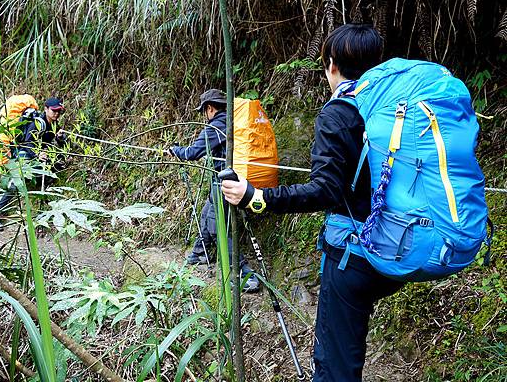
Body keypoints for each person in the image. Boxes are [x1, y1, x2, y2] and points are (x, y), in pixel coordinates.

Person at [221, 24, 404, 380]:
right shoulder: (393, 111)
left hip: (354, 254)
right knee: (348, 348)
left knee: (333, 366)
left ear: (332, 64)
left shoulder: (339, 113)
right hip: (396, 246)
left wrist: (256, 197)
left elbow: (325, 190)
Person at [170, 89, 260, 293]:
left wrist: (175, 151)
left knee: (217, 225)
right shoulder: (233, 123)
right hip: (236, 181)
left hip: (225, 184)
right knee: (207, 212)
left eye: (205, 111)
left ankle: (243, 273)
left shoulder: (216, 127)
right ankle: (200, 253)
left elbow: (192, 153)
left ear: (210, 108)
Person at [0, 97, 67, 230]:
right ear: (46, 109)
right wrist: (37, 154)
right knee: (14, 184)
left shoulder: (53, 125)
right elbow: (27, 144)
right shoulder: (38, 123)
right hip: (20, 153)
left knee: (55, 164)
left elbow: (51, 143)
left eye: (59, 111)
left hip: (33, 156)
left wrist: (59, 139)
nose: (56, 114)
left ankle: (43, 184)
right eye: (54, 111)